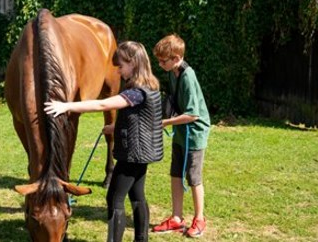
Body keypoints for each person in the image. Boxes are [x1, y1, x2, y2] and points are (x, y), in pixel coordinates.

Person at [45, 41, 164, 242]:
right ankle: (141, 239)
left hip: (131, 155)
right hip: (143, 153)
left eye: (121, 66)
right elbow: (142, 120)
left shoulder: (135, 93)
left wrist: (66, 106)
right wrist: (115, 127)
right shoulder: (150, 87)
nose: (118, 71)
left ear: (133, 63)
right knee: (137, 196)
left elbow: (102, 104)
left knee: (114, 198)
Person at [151, 34, 211, 238]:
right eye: (158, 60)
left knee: (193, 177)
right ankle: (176, 218)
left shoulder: (188, 76)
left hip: (194, 134)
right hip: (180, 132)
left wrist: (166, 122)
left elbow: (193, 114)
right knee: (175, 173)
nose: (160, 64)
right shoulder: (172, 73)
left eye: (163, 60)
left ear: (176, 58)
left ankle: (200, 219)